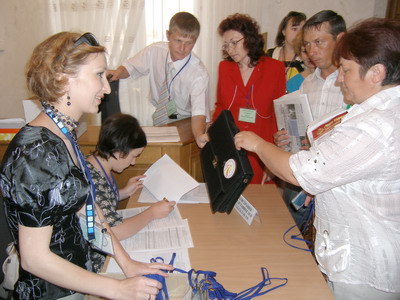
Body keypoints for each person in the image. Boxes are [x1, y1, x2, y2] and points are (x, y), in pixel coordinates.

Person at [235, 17, 400, 300]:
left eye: (346, 70)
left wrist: (257, 143)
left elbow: (301, 172)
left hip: (364, 264)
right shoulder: (378, 111)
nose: (340, 78)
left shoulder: (374, 127)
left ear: (376, 73)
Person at [0, 32, 172, 300]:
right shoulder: (35, 152)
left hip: (80, 280)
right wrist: (116, 288)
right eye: (99, 75)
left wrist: (128, 264)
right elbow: (34, 259)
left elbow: (89, 210)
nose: (106, 88)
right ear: (62, 78)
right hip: (52, 293)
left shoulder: (64, 135)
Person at [274, 10, 347, 230]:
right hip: (300, 178)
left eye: (319, 42)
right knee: (291, 236)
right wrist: (284, 139)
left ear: (340, 39)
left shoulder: (353, 85)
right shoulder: (306, 84)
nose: (311, 51)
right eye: (307, 44)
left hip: (336, 183)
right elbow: (298, 134)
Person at [86, 112, 176, 272]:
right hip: (96, 258)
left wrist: (123, 193)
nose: (134, 162)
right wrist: (151, 213)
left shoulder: (96, 162)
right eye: (133, 156)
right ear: (119, 152)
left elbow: (101, 201)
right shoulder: (92, 179)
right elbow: (113, 232)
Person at [108, 12, 210, 149]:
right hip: (162, 115)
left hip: (187, 120)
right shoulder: (155, 51)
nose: (182, 48)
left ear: (195, 41)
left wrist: (199, 136)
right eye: (178, 40)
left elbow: (198, 113)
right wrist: (118, 72)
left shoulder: (198, 73)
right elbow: (130, 67)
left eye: (188, 43)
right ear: (168, 35)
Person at [212, 13, 286, 184]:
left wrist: (273, 158)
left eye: (234, 43)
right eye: (226, 45)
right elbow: (220, 106)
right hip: (232, 147)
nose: (230, 49)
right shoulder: (224, 67)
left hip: (262, 146)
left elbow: (278, 113)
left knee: (261, 202)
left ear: (250, 38)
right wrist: (213, 136)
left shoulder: (274, 68)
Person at [266, 11, 307, 85]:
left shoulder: (308, 59)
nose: (298, 34)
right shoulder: (268, 55)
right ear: (284, 31)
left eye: (302, 30)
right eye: (294, 29)